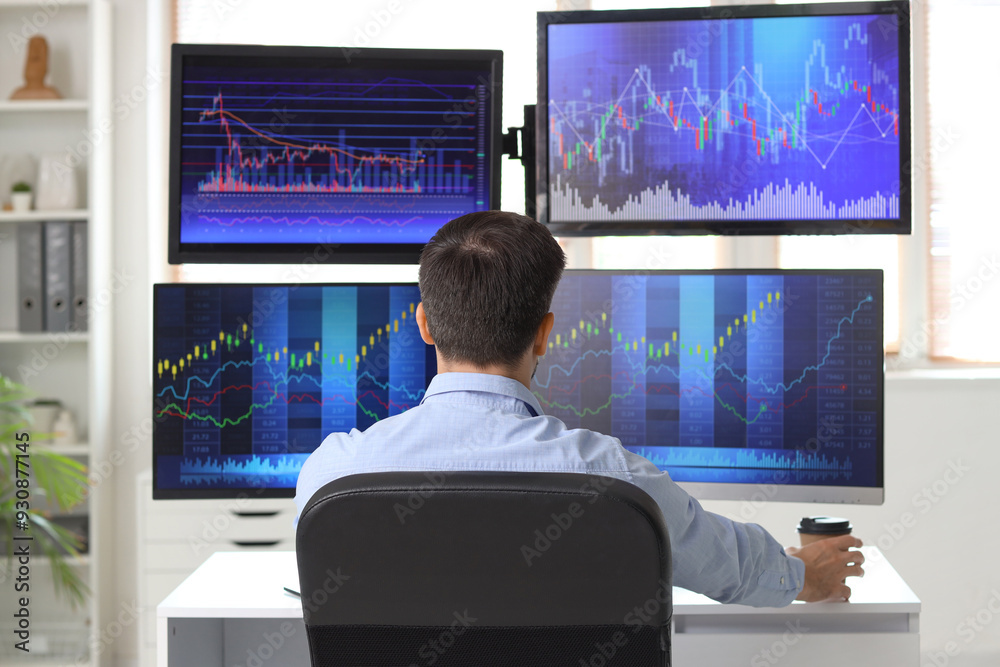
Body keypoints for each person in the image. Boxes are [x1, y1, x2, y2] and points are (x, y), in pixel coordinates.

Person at [294, 210, 865, 606]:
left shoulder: (332, 474)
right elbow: (723, 563)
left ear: (423, 324)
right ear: (545, 334)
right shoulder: (609, 477)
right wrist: (802, 574)